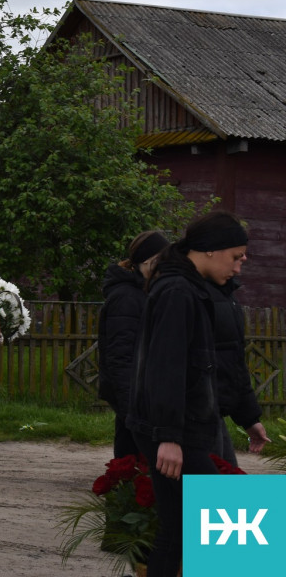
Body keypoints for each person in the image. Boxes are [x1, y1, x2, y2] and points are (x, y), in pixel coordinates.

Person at [126, 211, 249, 576]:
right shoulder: (178, 291)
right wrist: (169, 437)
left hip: (177, 426)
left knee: (178, 529)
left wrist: (247, 414)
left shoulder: (187, 286)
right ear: (211, 251)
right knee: (233, 518)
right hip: (171, 430)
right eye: (236, 256)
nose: (239, 267)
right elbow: (165, 367)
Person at [96, 231, 168, 458]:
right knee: (134, 463)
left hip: (142, 397)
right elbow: (120, 356)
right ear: (147, 261)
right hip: (133, 398)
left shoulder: (144, 292)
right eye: (162, 260)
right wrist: (130, 409)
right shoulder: (126, 297)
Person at [210, 273, 270, 465]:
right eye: (236, 254)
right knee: (210, 490)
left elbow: (233, 362)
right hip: (192, 419)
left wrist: (249, 418)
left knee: (228, 484)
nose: (243, 259)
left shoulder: (226, 295)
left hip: (212, 414)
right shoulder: (189, 292)